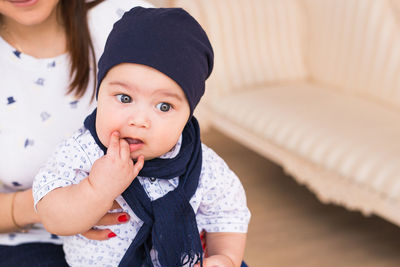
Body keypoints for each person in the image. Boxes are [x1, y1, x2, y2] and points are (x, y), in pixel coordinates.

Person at [33, 7, 251, 267]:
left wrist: (225, 257)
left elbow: (227, 215)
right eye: (125, 98)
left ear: (188, 116)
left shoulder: (200, 164)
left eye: (164, 107)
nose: (139, 120)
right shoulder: (82, 152)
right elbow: (53, 217)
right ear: (99, 94)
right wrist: (96, 189)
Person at [0, 0, 152, 265]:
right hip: (34, 239)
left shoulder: (133, 23)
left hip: (146, 223)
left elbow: (180, 137)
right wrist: (59, 207)